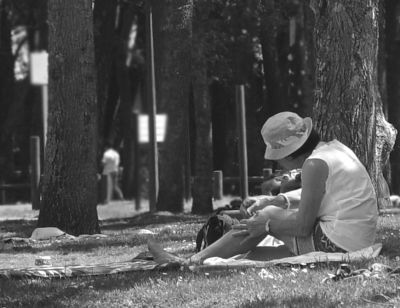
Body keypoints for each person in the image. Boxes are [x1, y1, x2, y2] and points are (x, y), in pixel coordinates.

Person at [148, 111, 378, 264]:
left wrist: (266, 223)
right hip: (354, 242)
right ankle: (205, 260)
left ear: (288, 153)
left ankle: (189, 262)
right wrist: (274, 200)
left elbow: (302, 227)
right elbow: (322, 193)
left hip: (339, 243)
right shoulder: (335, 150)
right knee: (254, 255)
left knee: (264, 217)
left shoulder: (314, 164)